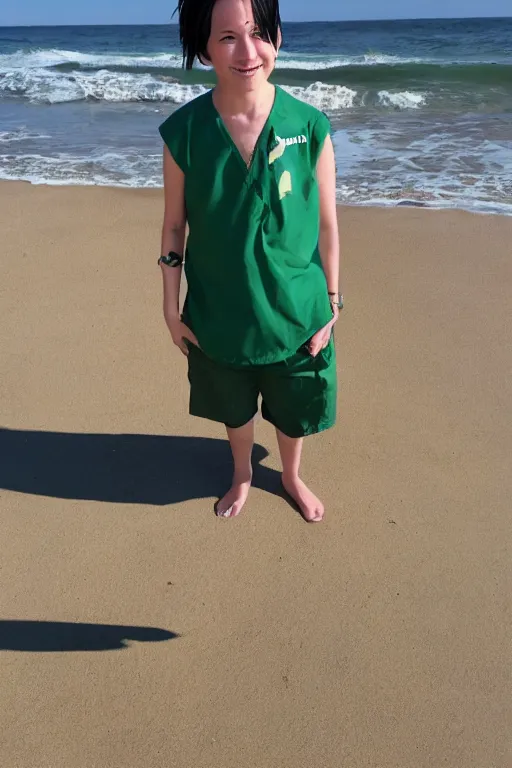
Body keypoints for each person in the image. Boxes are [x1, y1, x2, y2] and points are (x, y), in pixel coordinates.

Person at [158, 0, 342, 522]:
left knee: (293, 408)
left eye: (259, 32)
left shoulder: (309, 127)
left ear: (278, 36)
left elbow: (328, 224)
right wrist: (171, 309)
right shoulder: (186, 132)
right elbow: (175, 225)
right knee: (233, 406)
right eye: (228, 38)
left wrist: (331, 302)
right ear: (203, 48)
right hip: (222, 312)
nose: (248, 51)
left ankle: (289, 475)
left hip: (297, 309)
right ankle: (241, 473)